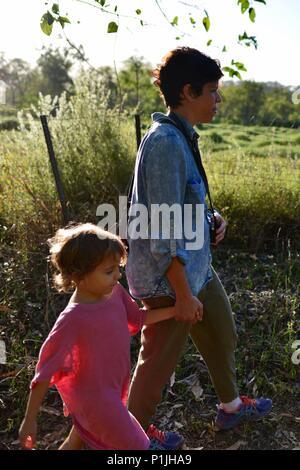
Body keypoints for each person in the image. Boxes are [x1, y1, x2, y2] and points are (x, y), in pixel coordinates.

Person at [125, 47, 272, 443]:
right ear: (188, 92)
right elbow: (160, 227)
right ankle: (130, 437)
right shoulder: (165, 144)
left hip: (195, 267)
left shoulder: (183, 136)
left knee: (222, 334)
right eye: (212, 91)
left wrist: (211, 220)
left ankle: (231, 409)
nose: (218, 100)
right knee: (156, 366)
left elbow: (181, 203)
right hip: (167, 280)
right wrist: (182, 293)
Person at [18, 223, 185, 450]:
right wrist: (29, 420)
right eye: (109, 271)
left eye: (117, 267)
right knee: (138, 445)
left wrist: (175, 311)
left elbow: (136, 319)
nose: (117, 275)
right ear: (80, 276)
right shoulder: (72, 320)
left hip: (111, 390)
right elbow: (44, 371)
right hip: (96, 402)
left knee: (76, 439)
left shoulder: (114, 292)